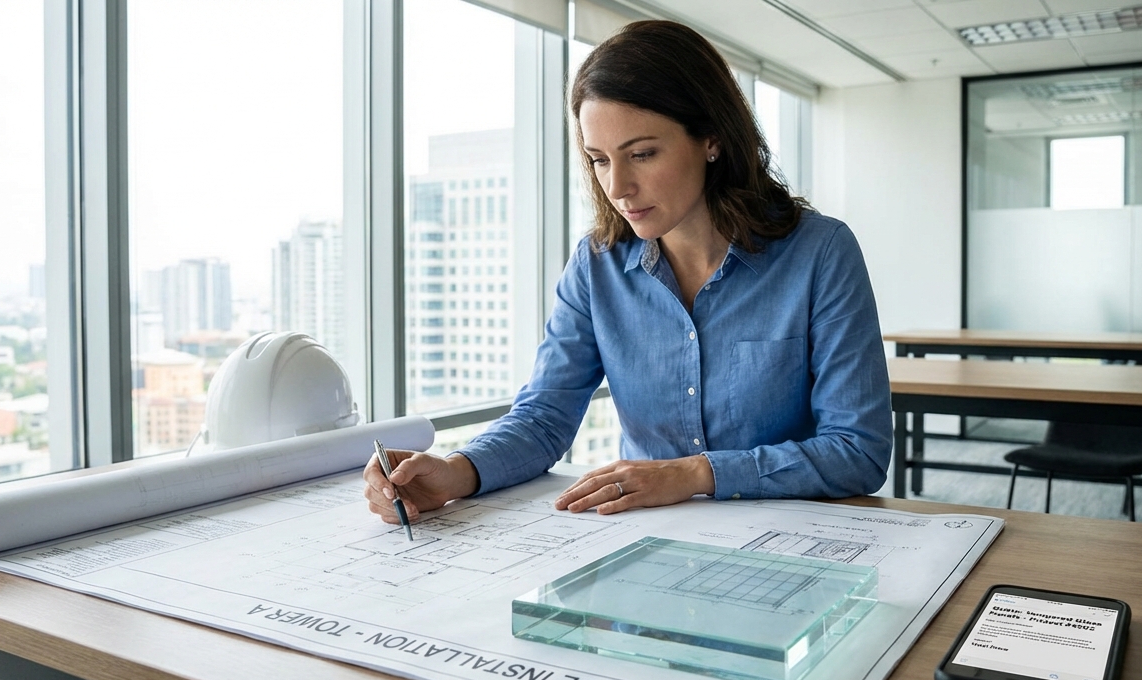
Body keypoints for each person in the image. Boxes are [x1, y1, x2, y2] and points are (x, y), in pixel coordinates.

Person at [366, 20, 891, 524]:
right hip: (646, 542)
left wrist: (694, 474)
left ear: (712, 139)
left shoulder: (821, 252)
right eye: (598, 159)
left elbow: (858, 451)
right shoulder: (596, 266)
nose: (617, 186)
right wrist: (457, 472)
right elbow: (545, 420)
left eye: (641, 154)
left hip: (795, 542)